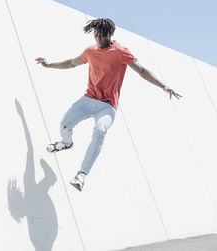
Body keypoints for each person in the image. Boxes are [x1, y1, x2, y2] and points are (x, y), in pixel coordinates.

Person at [35, 18, 181, 192]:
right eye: (96, 36)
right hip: (88, 99)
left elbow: (142, 71)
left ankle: (81, 175)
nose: (99, 40)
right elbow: (71, 63)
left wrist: (164, 86)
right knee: (64, 124)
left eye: (102, 36)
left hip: (107, 106)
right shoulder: (90, 51)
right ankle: (66, 143)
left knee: (100, 131)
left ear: (110, 34)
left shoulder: (120, 52)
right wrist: (48, 64)